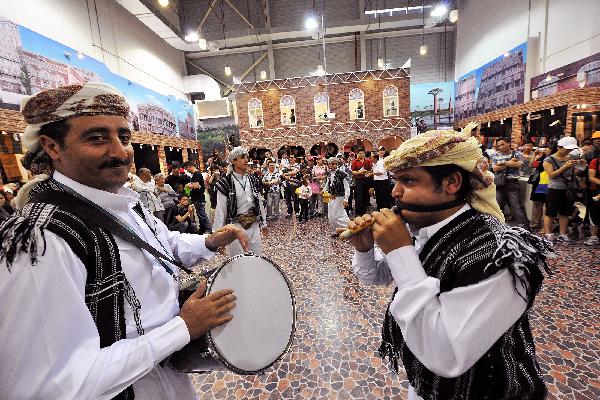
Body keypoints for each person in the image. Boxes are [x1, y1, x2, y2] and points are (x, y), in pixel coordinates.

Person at [0, 82, 249, 399]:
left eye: (124, 137)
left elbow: (161, 246)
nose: (120, 151)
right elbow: (50, 385)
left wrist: (207, 243)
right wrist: (182, 328)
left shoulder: (125, 204)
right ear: (52, 147)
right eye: (97, 138)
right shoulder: (42, 240)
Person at [343, 124, 551, 400]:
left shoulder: (497, 252)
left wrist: (400, 251)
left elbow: (446, 355)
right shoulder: (424, 228)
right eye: (395, 181)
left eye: (408, 181)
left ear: (451, 183)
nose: (395, 192)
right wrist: (365, 249)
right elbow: (376, 276)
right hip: (425, 388)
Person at [213, 146, 267, 256]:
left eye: (247, 157)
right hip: (236, 227)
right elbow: (221, 211)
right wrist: (219, 237)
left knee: (256, 257)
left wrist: (264, 223)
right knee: (238, 260)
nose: (246, 160)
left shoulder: (252, 179)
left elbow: (259, 202)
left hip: (254, 224)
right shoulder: (225, 183)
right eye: (242, 157)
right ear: (233, 161)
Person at [543, 136, 587, 244]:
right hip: (554, 189)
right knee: (550, 212)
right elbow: (551, 175)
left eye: (570, 150)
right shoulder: (549, 159)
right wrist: (565, 167)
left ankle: (563, 234)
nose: (568, 151)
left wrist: (582, 166)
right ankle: (548, 234)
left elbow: (573, 174)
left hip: (568, 189)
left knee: (565, 212)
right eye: (567, 149)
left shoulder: (570, 158)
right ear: (559, 147)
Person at [490, 137, 529, 228]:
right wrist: (510, 162)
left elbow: (518, 165)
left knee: (516, 206)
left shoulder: (517, 154)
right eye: (499, 145)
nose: (501, 147)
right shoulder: (495, 155)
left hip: (512, 182)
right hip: (499, 183)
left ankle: (524, 227)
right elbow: (495, 168)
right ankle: (498, 227)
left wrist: (502, 163)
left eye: (503, 144)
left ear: (508, 143)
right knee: (498, 206)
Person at [183, 161, 212, 234]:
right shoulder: (196, 174)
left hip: (199, 197)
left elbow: (196, 185)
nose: (187, 171)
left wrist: (188, 185)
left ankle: (208, 229)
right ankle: (202, 228)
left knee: (202, 214)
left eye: (187, 169)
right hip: (197, 197)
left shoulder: (196, 174)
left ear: (189, 167)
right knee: (199, 214)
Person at [324, 157, 350, 237]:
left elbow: (346, 187)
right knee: (331, 215)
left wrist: (346, 198)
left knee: (338, 215)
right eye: (332, 164)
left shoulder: (342, 174)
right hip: (331, 197)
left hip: (339, 197)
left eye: (335, 163)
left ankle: (349, 228)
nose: (333, 165)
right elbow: (328, 183)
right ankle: (336, 231)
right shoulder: (329, 173)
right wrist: (324, 190)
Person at [351, 149, 373, 216]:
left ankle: (364, 212)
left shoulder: (368, 161)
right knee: (359, 196)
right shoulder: (355, 161)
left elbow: (370, 170)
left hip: (366, 180)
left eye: (362, 153)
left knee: (365, 196)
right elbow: (352, 172)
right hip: (358, 181)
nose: (361, 154)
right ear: (357, 154)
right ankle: (358, 213)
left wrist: (369, 173)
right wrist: (360, 172)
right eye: (360, 153)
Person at [373, 146, 392, 210]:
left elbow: (382, 172)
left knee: (385, 197)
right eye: (380, 150)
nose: (382, 151)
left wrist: (372, 173)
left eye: (383, 150)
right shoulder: (375, 160)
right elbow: (373, 169)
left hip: (384, 181)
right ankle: (379, 210)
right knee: (378, 197)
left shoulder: (386, 160)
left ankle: (387, 211)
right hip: (376, 181)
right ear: (378, 151)